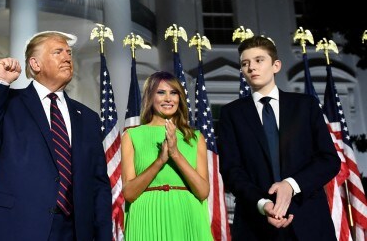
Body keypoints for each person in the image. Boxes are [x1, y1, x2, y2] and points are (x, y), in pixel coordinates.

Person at [0, 31, 112, 241]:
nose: (67, 58)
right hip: (16, 228)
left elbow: (98, 185)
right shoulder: (8, 103)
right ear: (35, 64)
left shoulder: (88, 118)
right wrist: (0, 82)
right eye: (58, 52)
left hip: (73, 232)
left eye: (69, 53)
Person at [218, 36, 340, 240]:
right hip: (255, 225)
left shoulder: (305, 106)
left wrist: (291, 185)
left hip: (308, 220)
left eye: (259, 60)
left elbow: (328, 160)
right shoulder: (231, 114)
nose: (251, 67)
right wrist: (262, 203)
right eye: (245, 63)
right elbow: (231, 169)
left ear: (276, 66)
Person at [121, 71, 212, 240]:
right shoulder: (131, 136)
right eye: (161, 92)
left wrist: (175, 154)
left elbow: (202, 191)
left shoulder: (195, 137)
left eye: (174, 92)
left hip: (187, 217)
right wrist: (160, 160)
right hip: (146, 218)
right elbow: (129, 193)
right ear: (150, 97)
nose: (168, 99)